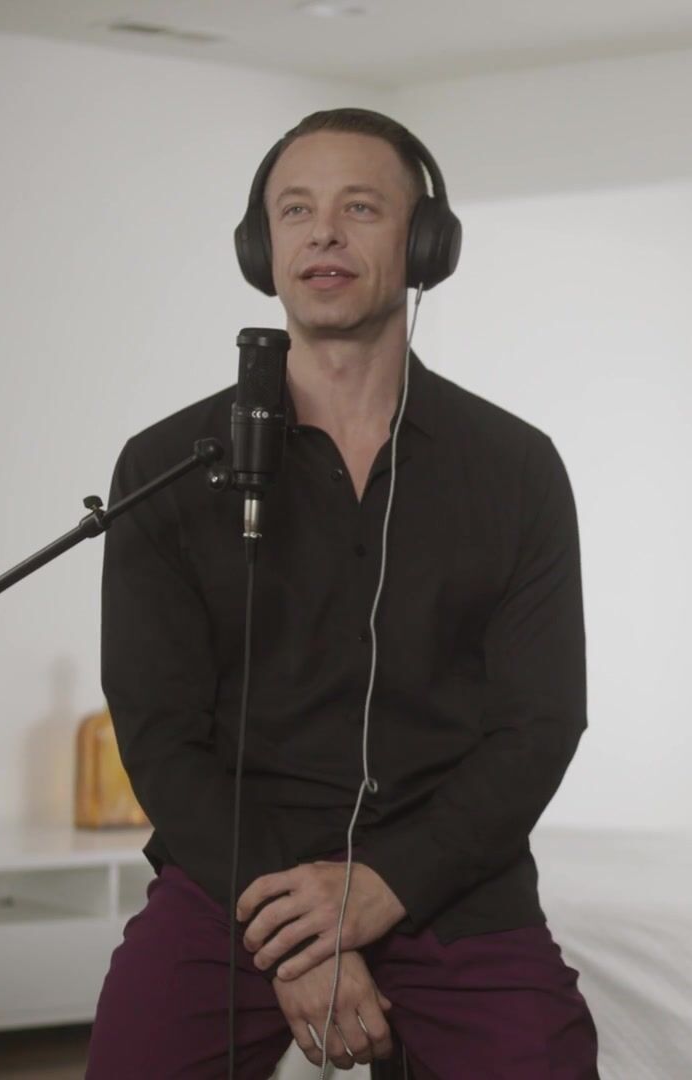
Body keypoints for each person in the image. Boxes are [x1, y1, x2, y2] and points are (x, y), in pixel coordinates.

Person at [87, 108, 599, 1077]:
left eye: (360, 208)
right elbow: (157, 732)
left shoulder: (516, 468)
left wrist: (385, 886)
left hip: (451, 883)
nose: (323, 232)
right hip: (235, 880)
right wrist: (300, 933)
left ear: (426, 244)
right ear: (262, 248)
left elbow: (539, 724)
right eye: (296, 210)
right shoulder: (166, 466)